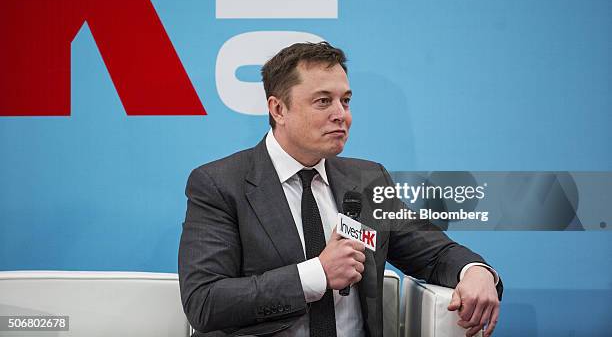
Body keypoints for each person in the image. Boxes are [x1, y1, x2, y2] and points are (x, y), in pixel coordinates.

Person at [178, 42, 502, 337]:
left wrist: (474, 271)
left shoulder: (366, 179)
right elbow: (204, 302)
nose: (341, 115)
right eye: (323, 101)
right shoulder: (220, 184)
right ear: (278, 110)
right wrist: (316, 274)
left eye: (345, 101)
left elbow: (432, 251)